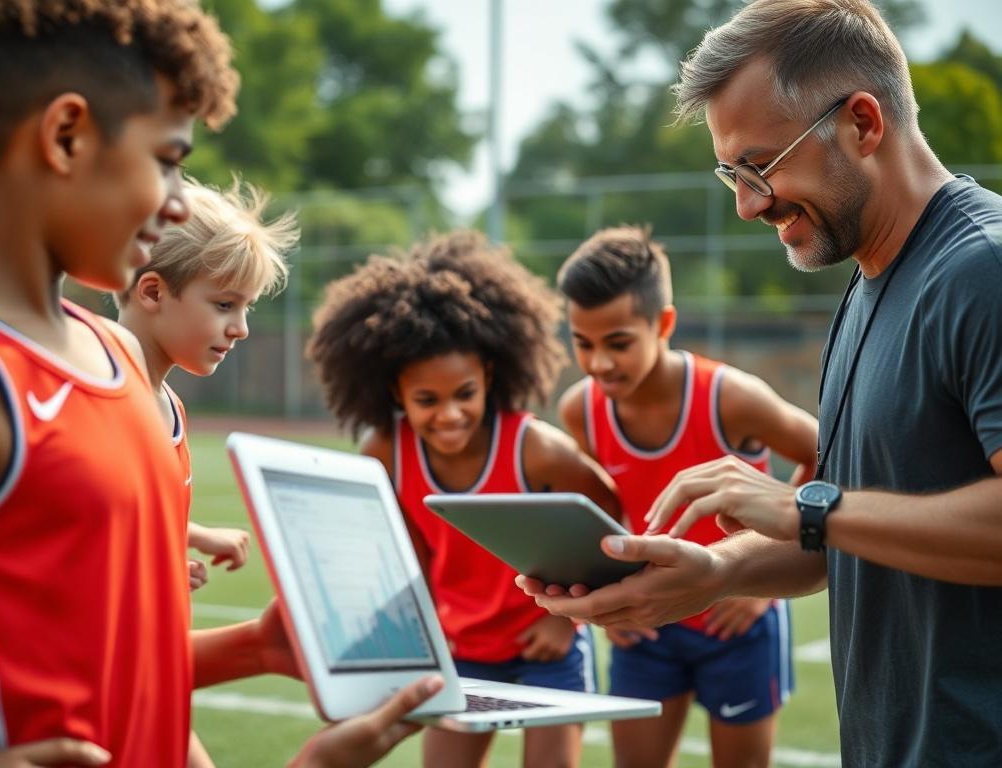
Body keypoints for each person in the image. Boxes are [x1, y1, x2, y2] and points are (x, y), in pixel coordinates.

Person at [519, 1, 1002, 767]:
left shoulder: (984, 269)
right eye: (731, 174)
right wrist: (712, 573)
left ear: (864, 124)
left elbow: (832, 514)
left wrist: (807, 503)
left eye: (762, 165)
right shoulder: (872, 283)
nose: (747, 203)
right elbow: (857, 536)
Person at [0, 4, 438, 767]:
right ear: (66, 136)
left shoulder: (122, 367)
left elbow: (136, 678)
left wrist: (258, 652)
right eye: (166, 158)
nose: (179, 200)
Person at [307, 230, 621, 768]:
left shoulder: (536, 448)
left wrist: (563, 620)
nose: (449, 414)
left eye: (465, 394)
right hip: (462, 651)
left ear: (490, 375)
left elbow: (606, 520)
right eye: (427, 400)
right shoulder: (384, 452)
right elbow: (407, 558)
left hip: (546, 646)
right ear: (395, 393)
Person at [555, 226, 817, 768]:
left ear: (664, 324)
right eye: (583, 343)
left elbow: (825, 453)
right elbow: (606, 505)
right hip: (649, 625)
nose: (599, 362)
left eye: (618, 342)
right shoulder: (580, 410)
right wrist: (612, 596)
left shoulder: (731, 398)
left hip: (735, 620)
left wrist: (759, 578)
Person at [115, 176, 297, 768]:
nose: (241, 328)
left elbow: (133, 505)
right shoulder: (101, 399)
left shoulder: (169, 407)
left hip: (151, 690)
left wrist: (185, 536)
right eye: (224, 305)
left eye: (245, 308)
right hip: (101, 698)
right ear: (152, 291)